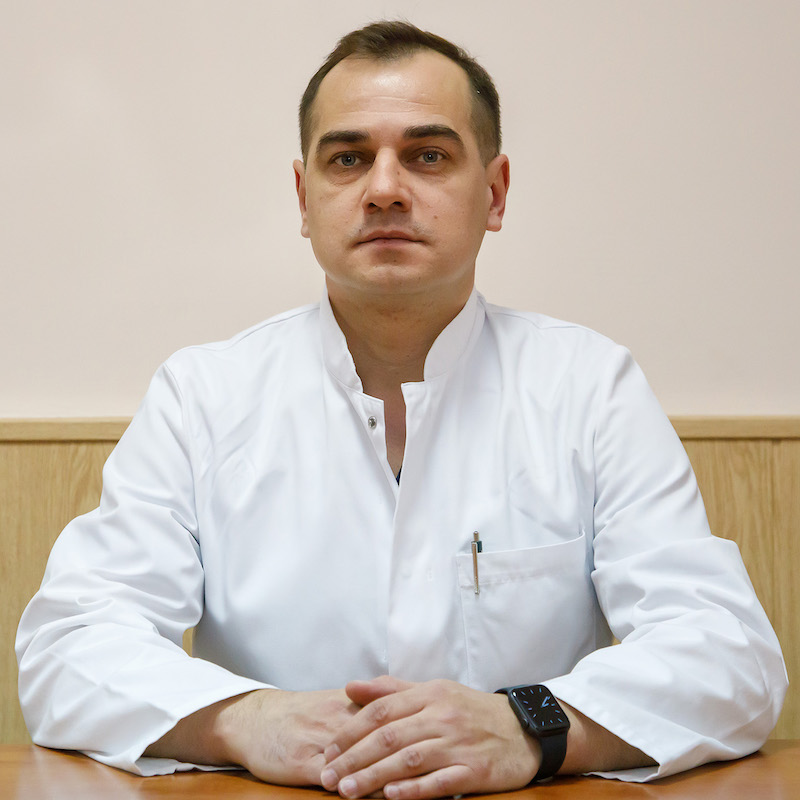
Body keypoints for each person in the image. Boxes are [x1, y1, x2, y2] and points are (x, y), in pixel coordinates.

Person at [16, 20, 786, 799]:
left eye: (428, 156)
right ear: (305, 198)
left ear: (494, 193)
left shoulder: (589, 387)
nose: (384, 188)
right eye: (348, 159)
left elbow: (730, 656)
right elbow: (68, 647)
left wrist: (527, 726)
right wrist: (246, 719)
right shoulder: (203, 397)